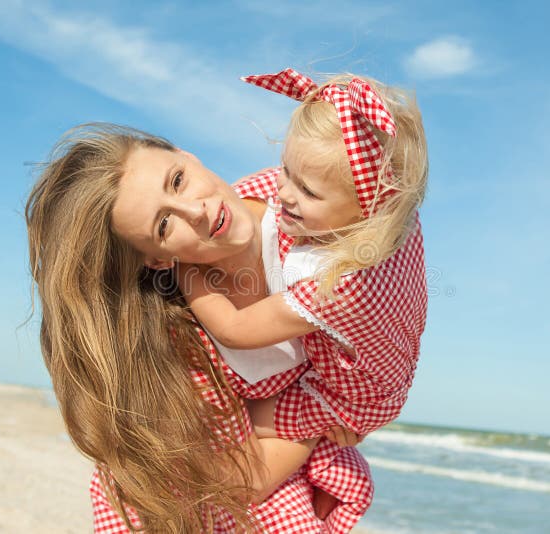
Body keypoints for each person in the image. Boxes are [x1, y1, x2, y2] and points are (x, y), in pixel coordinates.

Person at [25, 123, 372, 533]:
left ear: (187, 154)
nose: (197, 211)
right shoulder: (183, 338)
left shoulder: (309, 206)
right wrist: (326, 413)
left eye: (177, 180)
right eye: (164, 225)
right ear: (156, 259)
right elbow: (247, 481)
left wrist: (350, 407)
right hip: (210, 506)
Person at [182, 68, 429, 448]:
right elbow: (267, 186)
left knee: (251, 421)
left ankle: (304, 457)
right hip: (384, 358)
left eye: (308, 192)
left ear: (368, 212)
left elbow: (235, 329)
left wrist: (186, 270)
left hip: (356, 397)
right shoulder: (397, 215)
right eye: (286, 169)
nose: (284, 192)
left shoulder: (342, 284)